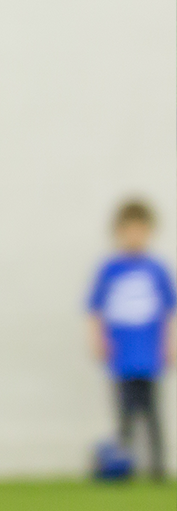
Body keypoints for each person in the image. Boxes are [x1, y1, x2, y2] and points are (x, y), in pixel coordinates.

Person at [87, 199, 175, 480]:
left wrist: (170, 343)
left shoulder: (157, 269)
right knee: (124, 415)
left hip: (149, 354)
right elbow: (95, 309)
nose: (135, 236)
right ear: (119, 232)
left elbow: (169, 310)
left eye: (141, 230)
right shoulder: (109, 270)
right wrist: (98, 339)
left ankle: (158, 468)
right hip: (122, 355)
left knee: (152, 414)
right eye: (129, 230)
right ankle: (122, 467)